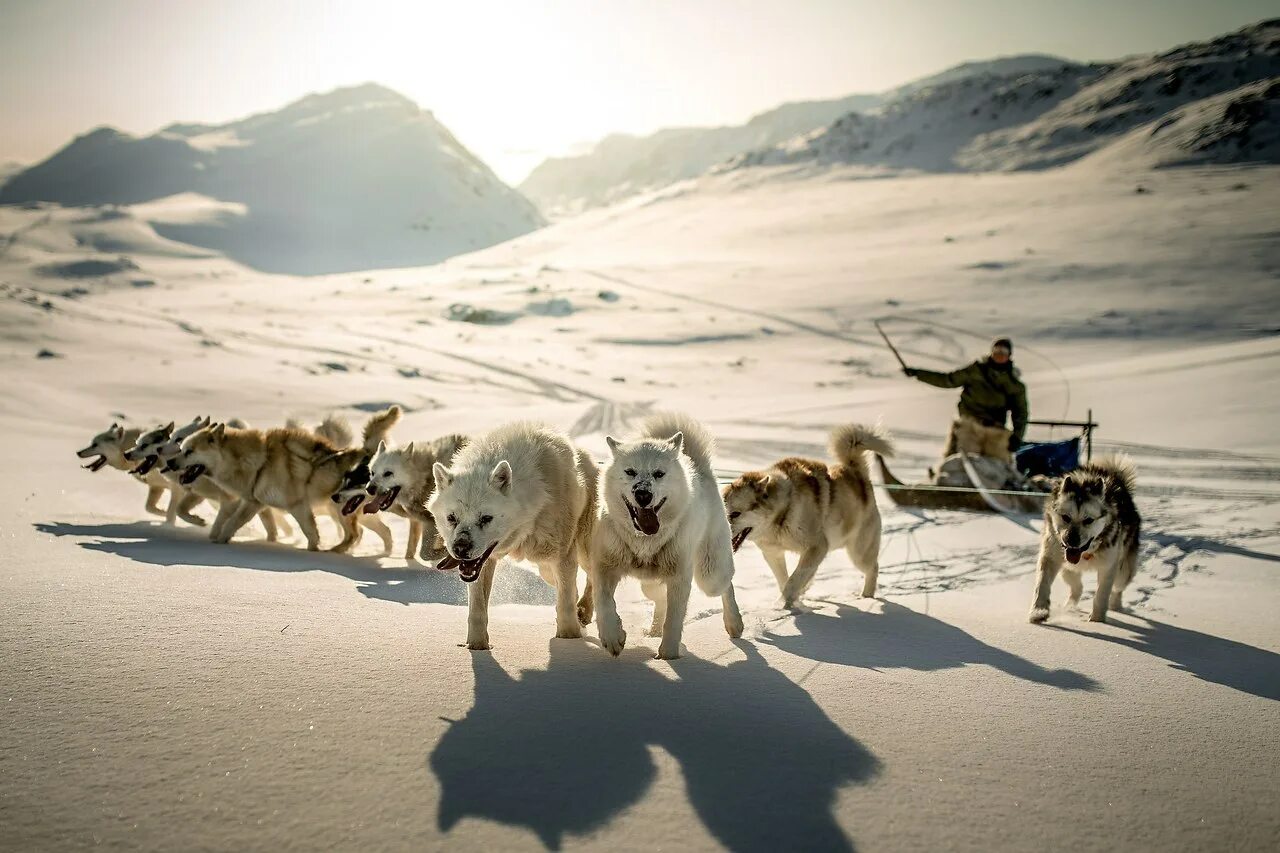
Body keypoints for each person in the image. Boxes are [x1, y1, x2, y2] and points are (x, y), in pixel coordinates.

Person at [904, 337, 1028, 464]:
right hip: (969, 426)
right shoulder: (975, 371)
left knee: (999, 464)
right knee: (964, 461)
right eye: (996, 350)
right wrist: (918, 374)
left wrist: (1017, 437)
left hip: (995, 430)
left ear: (1009, 355)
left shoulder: (1014, 385)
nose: (999, 355)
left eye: (1003, 352)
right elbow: (948, 380)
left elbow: (1020, 413)